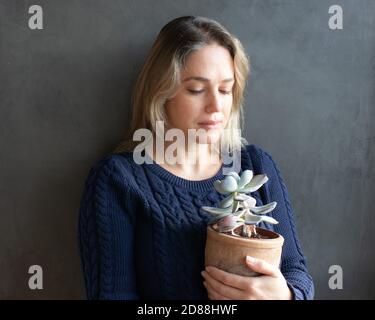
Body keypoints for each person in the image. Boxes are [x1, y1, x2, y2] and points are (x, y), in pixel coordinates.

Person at [78, 16, 314, 300]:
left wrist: (284, 296)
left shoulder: (255, 165)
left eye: (226, 89)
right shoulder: (119, 180)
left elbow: (297, 273)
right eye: (196, 89)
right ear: (161, 92)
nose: (216, 106)